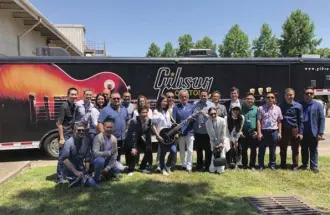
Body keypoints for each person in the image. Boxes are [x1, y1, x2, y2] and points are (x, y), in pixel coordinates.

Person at [59, 122, 96, 188]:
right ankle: (73, 180)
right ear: (74, 130)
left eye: (83, 130)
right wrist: (75, 172)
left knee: (92, 184)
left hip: (81, 168)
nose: (81, 132)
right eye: (79, 130)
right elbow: (64, 159)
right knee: (87, 183)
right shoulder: (69, 142)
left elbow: (87, 159)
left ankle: (82, 179)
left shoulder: (86, 141)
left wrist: (86, 170)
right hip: (70, 170)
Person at [98, 92, 129, 162]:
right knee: (109, 156)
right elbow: (100, 123)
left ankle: (116, 169)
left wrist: (126, 130)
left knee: (118, 154)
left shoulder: (124, 109)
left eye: (118, 98)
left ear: (120, 99)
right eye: (114, 98)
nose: (116, 100)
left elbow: (126, 121)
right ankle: (107, 170)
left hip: (122, 138)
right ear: (110, 100)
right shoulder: (105, 110)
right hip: (110, 138)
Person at [300, 87, 325, 173]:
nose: (309, 95)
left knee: (313, 149)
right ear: (304, 95)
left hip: (314, 131)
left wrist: (320, 132)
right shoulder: (300, 105)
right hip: (303, 132)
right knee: (304, 149)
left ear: (313, 95)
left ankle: (314, 166)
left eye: (311, 93)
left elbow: (322, 119)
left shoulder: (318, 105)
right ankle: (304, 165)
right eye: (307, 93)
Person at [56, 87, 78, 184]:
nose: (74, 96)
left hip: (71, 134)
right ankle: (60, 179)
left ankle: (68, 175)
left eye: (75, 94)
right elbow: (59, 123)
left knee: (71, 157)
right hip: (65, 135)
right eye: (72, 94)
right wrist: (61, 138)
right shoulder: (64, 106)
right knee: (63, 157)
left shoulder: (74, 106)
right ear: (67, 95)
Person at [92, 119, 124, 187]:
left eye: (111, 127)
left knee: (121, 168)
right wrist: (108, 153)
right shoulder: (97, 138)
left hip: (108, 161)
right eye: (107, 127)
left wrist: (108, 167)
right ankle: (97, 179)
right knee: (101, 160)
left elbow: (115, 155)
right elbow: (95, 153)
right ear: (104, 127)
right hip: (97, 160)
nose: (109, 129)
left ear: (113, 129)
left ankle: (106, 174)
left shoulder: (114, 139)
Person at [257, 92, 283, 171]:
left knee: (273, 150)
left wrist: (279, 132)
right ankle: (261, 165)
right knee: (261, 149)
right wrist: (259, 133)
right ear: (265, 99)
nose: (270, 99)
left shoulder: (278, 108)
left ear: (274, 99)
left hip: (274, 131)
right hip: (264, 131)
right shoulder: (261, 108)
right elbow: (258, 121)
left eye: (272, 97)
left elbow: (279, 121)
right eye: (268, 97)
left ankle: (272, 165)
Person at [279, 88, 303, 171]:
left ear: (294, 95)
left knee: (295, 149)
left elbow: (301, 120)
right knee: (283, 148)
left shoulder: (298, 106)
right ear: (285, 96)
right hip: (284, 129)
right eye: (288, 95)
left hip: (294, 129)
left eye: (291, 94)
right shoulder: (281, 105)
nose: (290, 96)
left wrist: (301, 132)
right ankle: (283, 164)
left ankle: (295, 165)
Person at [125, 105, 153, 176]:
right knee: (134, 152)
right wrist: (134, 147)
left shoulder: (149, 120)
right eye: (143, 113)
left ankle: (142, 167)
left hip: (140, 137)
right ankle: (130, 169)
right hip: (131, 138)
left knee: (148, 150)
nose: (145, 114)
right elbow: (133, 135)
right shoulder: (134, 121)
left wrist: (148, 144)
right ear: (139, 113)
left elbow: (147, 133)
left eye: (146, 112)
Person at [152, 95, 176, 175]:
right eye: (164, 101)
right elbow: (153, 125)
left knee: (173, 150)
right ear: (160, 102)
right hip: (161, 135)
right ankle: (162, 169)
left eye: (166, 101)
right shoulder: (156, 112)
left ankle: (168, 166)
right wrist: (157, 136)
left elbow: (171, 123)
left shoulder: (168, 111)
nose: (166, 103)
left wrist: (175, 133)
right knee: (163, 153)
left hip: (170, 134)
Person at [172, 90, 195, 173]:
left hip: (190, 132)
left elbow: (195, 119)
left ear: (188, 97)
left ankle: (189, 166)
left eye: (185, 96)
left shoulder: (191, 106)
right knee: (182, 149)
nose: (184, 98)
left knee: (190, 150)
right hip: (180, 133)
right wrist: (176, 132)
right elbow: (174, 121)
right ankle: (183, 164)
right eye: (182, 97)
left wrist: (192, 119)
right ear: (179, 98)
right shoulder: (176, 107)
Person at [193, 90, 215, 171]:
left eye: (205, 95)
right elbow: (193, 115)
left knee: (208, 150)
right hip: (197, 131)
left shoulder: (211, 105)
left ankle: (207, 166)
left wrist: (204, 114)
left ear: (208, 96)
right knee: (198, 150)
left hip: (207, 132)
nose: (203, 97)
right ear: (199, 95)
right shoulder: (195, 104)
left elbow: (213, 117)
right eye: (202, 95)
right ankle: (199, 166)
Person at [206, 107, 229, 174]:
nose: (213, 115)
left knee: (222, 155)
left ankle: (220, 170)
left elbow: (223, 133)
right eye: (211, 114)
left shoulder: (222, 120)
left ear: (217, 113)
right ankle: (213, 169)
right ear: (209, 114)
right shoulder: (207, 123)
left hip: (222, 140)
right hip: (213, 141)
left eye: (214, 113)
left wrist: (221, 143)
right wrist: (214, 144)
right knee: (214, 155)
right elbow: (210, 134)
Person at [241, 92, 258, 170]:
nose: (249, 100)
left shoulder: (257, 109)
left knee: (253, 150)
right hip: (243, 132)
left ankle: (252, 165)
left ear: (254, 100)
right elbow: (238, 121)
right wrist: (239, 131)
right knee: (244, 149)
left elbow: (259, 121)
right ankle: (244, 165)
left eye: (251, 99)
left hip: (253, 132)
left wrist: (257, 131)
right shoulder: (241, 108)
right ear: (244, 100)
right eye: (247, 99)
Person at [226, 103, 245, 169]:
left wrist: (236, 140)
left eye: (237, 109)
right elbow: (226, 131)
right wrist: (231, 140)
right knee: (229, 150)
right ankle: (228, 164)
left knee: (237, 149)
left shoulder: (242, 117)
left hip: (237, 136)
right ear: (231, 110)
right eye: (234, 109)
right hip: (228, 136)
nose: (236, 111)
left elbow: (240, 129)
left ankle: (236, 164)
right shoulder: (226, 118)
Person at [166, 91, 177, 168]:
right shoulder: (163, 107)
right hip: (165, 131)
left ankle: (173, 163)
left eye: (172, 97)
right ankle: (160, 163)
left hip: (174, 131)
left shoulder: (176, 107)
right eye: (169, 97)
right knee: (161, 149)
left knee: (174, 148)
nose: (171, 98)